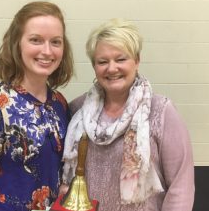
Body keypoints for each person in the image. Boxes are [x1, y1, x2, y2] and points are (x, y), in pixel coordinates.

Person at [60, 19, 195, 211]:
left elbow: (181, 187)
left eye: (121, 59)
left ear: (137, 60)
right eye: (102, 61)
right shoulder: (77, 111)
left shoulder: (161, 111)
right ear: (94, 66)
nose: (112, 68)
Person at [0, 1, 74, 211]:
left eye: (56, 42)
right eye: (36, 40)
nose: (47, 51)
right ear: (17, 43)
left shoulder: (59, 104)